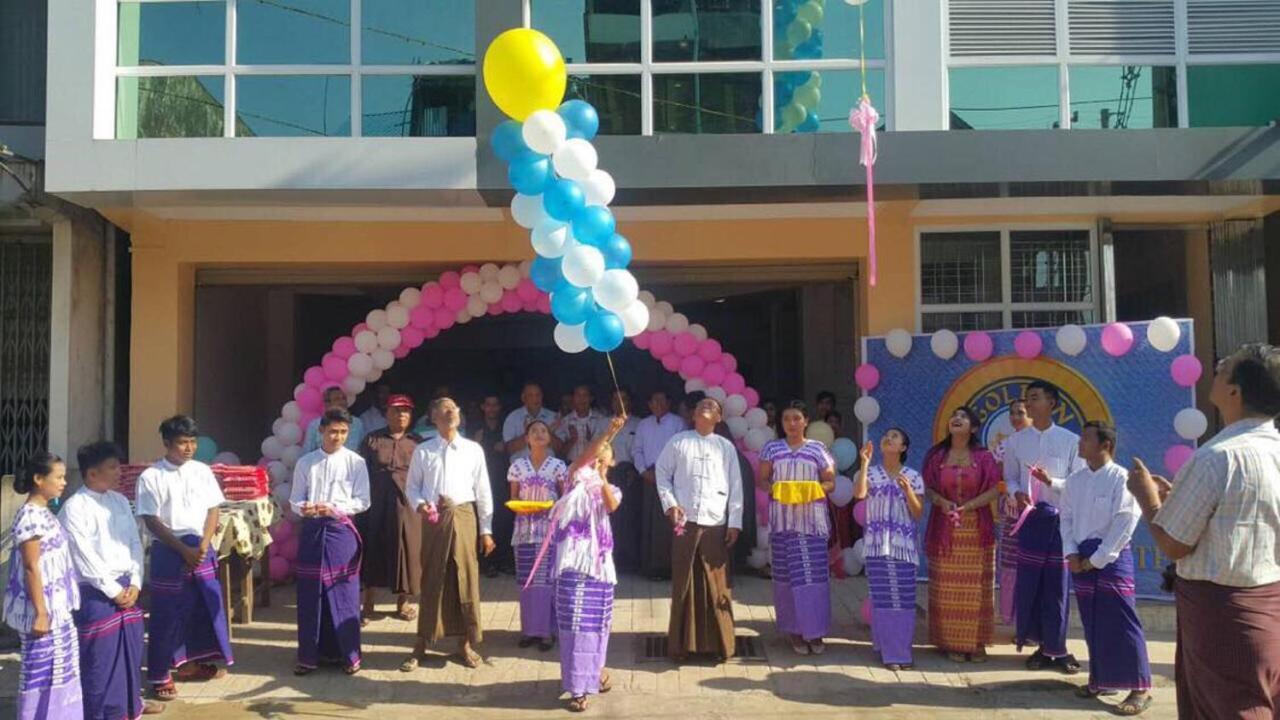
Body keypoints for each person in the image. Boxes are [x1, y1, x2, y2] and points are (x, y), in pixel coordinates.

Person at [1127, 343, 1280, 719]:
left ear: (1235, 391)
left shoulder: (1218, 456)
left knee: (1230, 707)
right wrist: (1175, 500)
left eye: (1224, 367)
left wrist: (1147, 499)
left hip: (1223, 614)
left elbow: (1174, 544)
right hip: (1268, 601)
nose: (1217, 368)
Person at [60, 442, 164, 718]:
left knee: (130, 655)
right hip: (95, 593)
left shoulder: (119, 501)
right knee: (100, 661)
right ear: (92, 474)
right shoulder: (75, 507)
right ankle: (98, 712)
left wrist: (136, 582)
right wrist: (114, 590)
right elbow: (84, 556)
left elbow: (134, 541)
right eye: (113, 467)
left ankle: (129, 706)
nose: (120, 472)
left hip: (127, 586)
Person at [1059, 421, 1152, 716]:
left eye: (1086, 439)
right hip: (1081, 556)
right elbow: (1067, 520)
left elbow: (1124, 523)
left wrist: (1097, 559)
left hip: (1111, 558)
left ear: (1105, 445)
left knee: (1122, 620)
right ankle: (1101, 680)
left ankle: (1140, 688)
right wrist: (1072, 554)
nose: (1080, 443)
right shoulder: (1075, 481)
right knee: (1092, 620)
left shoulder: (1122, 479)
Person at [136, 416, 233, 699]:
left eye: (192, 442)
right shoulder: (151, 476)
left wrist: (204, 544)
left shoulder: (202, 471)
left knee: (200, 608)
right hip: (169, 550)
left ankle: (190, 664)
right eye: (182, 443)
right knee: (166, 615)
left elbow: (213, 508)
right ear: (167, 443)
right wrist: (183, 550)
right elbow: (151, 520)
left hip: (201, 548)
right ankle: (159, 675)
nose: (188, 448)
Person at [402, 397, 496, 671]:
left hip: (464, 516)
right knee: (433, 578)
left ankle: (465, 643)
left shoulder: (473, 449)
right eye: (444, 409)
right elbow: (412, 488)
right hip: (435, 520)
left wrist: (486, 530)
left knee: (464, 578)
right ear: (433, 417)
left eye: (454, 408)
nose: (451, 412)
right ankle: (422, 643)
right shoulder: (424, 450)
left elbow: (483, 491)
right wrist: (421, 505)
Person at [656, 397, 744, 662]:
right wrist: (671, 504)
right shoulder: (679, 442)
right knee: (683, 582)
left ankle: (721, 646)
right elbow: (662, 474)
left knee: (717, 586)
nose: (707, 407)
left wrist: (735, 522)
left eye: (713, 407)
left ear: (719, 418)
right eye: (702, 405)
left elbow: (736, 486)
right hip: (687, 522)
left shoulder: (726, 447)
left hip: (716, 522)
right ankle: (680, 646)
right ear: (693, 414)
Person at [1005, 381, 1085, 673]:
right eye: (1028, 398)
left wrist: (1052, 482)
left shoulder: (1071, 441)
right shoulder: (1015, 442)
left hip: (1061, 523)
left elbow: (1078, 483)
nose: (1030, 403)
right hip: (1030, 521)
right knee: (1032, 585)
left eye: (1036, 397)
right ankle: (1038, 645)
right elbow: (1011, 478)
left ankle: (1058, 647)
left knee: (1058, 587)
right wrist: (1016, 493)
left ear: (1053, 402)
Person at [549, 415, 627, 712]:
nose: (599, 456)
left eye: (605, 453)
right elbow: (586, 454)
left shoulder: (611, 487)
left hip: (599, 565)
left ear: (612, 461)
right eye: (596, 452)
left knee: (595, 623)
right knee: (574, 622)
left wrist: (603, 477)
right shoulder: (572, 476)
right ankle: (577, 686)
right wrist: (608, 431)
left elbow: (611, 505)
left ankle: (593, 674)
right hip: (571, 561)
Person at [3, 453, 83, 720]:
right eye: (58, 477)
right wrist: (40, 612)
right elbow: (31, 567)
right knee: (41, 673)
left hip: (58, 608)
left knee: (60, 670)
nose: (63, 482)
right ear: (39, 479)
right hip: (43, 611)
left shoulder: (45, 513)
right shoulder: (30, 516)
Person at [757, 401, 836, 655]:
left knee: (812, 578)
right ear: (781, 423)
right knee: (787, 579)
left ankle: (815, 632)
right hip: (783, 523)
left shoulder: (817, 449)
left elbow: (830, 482)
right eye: (786, 419)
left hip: (811, 522)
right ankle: (794, 631)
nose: (791, 423)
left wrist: (811, 490)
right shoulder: (772, 448)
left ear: (806, 422)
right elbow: (763, 480)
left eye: (796, 418)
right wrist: (778, 490)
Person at [924, 406, 1001, 663]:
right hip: (945, 527)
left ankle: (977, 642)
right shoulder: (937, 456)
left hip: (976, 528)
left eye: (964, 417)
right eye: (954, 416)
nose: (957, 419)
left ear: (974, 428)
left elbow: (995, 489)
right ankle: (951, 642)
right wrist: (941, 502)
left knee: (976, 587)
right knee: (947, 586)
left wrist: (969, 506)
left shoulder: (984, 457)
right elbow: (928, 489)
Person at [853, 429, 924, 671]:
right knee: (883, 598)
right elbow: (860, 494)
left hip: (902, 547)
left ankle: (900, 650)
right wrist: (864, 463)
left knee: (903, 600)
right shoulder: (873, 474)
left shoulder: (913, 476)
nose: (888, 438)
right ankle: (889, 650)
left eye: (894, 436)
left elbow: (917, 513)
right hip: (876, 545)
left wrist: (909, 492)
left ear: (903, 447)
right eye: (886, 436)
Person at [357, 394, 423, 623]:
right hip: (375, 503)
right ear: (387, 413)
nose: (401, 414)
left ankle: (403, 602)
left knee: (405, 551)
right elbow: (359, 472)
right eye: (396, 410)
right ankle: (368, 604)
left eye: (406, 410)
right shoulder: (372, 439)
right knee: (373, 548)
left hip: (407, 505)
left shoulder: (418, 442)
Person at [507, 419, 565, 651]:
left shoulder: (559, 466)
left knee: (546, 582)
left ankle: (547, 632)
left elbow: (564, 498)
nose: (539, 434)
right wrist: (525, 506)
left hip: (548, 531)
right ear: (527, 438)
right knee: (527, 582)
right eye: (534, 431)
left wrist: (550, 507)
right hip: (524, 531)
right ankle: (529, 631)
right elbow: (513, 499)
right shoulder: (517, 467)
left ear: (549, 437)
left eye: (543, 431)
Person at [632, 390, 685, 580]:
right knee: (649, 523)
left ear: (669, 403)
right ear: (649, 404)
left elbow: (681, 451)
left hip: (671, 479)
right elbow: (636, 450)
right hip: (648, 477)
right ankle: (650, 568)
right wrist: (642, 471)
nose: (659, 404)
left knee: (669, 522)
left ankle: (669, 568)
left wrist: (666, 474)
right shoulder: (643, 424)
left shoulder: (678, 423)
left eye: (663, 400)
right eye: (655, 401)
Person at [994, 399, 1031, 625]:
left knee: (1031, 562)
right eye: (1012, 413)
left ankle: (1028, 617)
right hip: (1011, 513)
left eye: (1021, 412)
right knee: (1010, 563)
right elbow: (998, 477)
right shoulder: (1005, 445)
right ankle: (1009, 614)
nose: (1015, 417)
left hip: (1037, 513)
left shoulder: (1042, 443)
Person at [474, 393, 514, 578]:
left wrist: (504, 447)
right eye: (488, 405)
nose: (491, 408)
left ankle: (504, 562)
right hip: (482, 481)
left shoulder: (506, 426)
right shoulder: (476, 428)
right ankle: (487, 563)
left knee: (504, 521)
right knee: (484, 520)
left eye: (495, 405)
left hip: (503, 480)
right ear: (483, 407)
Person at [606, 389, 642, 571]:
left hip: (630, 473)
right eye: (615, 399)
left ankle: (631, 560)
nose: (619, 403)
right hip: (608, 473)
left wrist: (636, 470)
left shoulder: (639, 424)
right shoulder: (605, 423)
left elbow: (641, 450)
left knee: (629, 517)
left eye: (624, 399)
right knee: (610, 518)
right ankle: (613, 558)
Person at [503, 382, 560, 461]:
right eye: (530, 395)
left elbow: (560, 449)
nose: (535, 399)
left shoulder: (553, 417)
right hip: (522, 470)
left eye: (538, 395)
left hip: (548, 469)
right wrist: (527, 433)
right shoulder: (513, 417)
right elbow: (509, 449)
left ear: (542, 396)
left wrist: (548, 432)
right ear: (523, 398)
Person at [555, 385, 610, 463]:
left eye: (585, 395)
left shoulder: (601, 420)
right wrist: (572, 440)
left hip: (594, 466)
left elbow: (608, 448)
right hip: (572, 466)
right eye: (578, 395)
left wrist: (592, 441)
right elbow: (559, 452)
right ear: (573, 398)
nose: (581, 399)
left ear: (591, 398)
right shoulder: (565, 421)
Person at [304, 386, 366, 453]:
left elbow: (362, 450)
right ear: (327, 403)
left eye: (344, 398)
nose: (342, 402)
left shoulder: (357, 423)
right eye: (337, 399)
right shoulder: (315, 425)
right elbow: (307, 452)